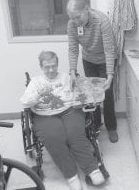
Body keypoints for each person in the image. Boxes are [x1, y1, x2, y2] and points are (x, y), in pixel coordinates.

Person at [20, 51, 105, 190]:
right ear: (41, 67)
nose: (51, 69)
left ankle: (92, 170)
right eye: (47, 67)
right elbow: (24, 102)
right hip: (45, 114)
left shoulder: (66, 77)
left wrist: (87, 96)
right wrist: (37, 94)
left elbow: (81, 93)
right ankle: (71, 175)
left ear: (57, 64)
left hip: (70, 111)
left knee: (75, 134)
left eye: (53, 66)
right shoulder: (35, 82)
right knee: (54, 137)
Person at [66, 0, 118, 143]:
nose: (76, 21)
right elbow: (73, 49)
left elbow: (109, 50)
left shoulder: (102, 21)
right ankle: (95, 124)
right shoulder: (72, 24)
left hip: (105, 59)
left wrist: (110, 75)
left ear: (87, 9)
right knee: (91, 94)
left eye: (78, 17)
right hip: (88, 59)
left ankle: (111, 126)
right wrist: (72, 71)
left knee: (106, 94)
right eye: (72, 18)